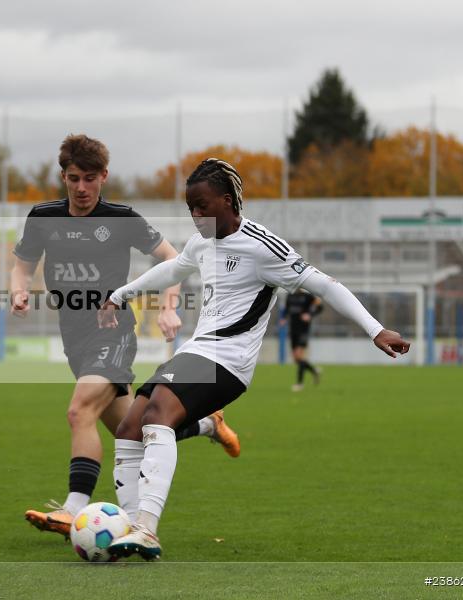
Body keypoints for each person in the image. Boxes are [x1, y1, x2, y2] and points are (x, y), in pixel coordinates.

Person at [97, 159, 410, 560]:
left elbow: (324, 284)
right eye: (190, 208)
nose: (195, 215)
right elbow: (173, 270)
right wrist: (120, 295)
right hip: (197, 351)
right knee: (129, 427)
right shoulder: (201, 243)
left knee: (158, 414)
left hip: (229, 360)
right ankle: (128, 530)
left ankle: (146, 529)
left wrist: (376, 329)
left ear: (227, 201)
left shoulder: (263, 246)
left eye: (202, 206)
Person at [11, 135, 240, 539]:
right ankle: (207, 424)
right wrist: (19, 289)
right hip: (74, 339)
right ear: (63, 177)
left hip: (112, 332)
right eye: (74, 178)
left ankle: (73, 508)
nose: (82, 188)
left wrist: (168, 307)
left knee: (79, 411)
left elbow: (172, 258)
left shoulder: (121, 218)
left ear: (104, 176)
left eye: (90, 179)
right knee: (133, 430)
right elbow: (23, 264)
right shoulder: (43, 217)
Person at [281, 289, 323, 391]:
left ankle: (299, 384)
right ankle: (314, 370)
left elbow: (320, 307)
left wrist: (310, 315)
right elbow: (286, 309)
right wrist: (284, 318)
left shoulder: (307, 296)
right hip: (293, 330)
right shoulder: (290, 295)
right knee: (296, 358)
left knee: (299, 355)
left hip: (303, 330)